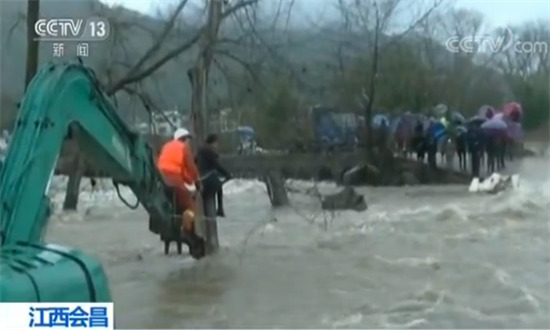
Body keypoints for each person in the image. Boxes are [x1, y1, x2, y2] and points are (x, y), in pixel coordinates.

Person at [157, 128, 202, 236]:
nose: (188, 142)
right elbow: (191, 168)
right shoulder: (183, 148)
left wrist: (188, 180)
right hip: (174, 179)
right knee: (189, 205)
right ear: (184, 139)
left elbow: (181, 170)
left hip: (159, 179)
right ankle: (186, 231)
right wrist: (198, 182)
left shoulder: (166, 146)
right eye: (187, 139)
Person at [196, 134, 231, 217]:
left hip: (200, 178)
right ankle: (220, 208)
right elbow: (216, 165)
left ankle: (205, 214)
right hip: (207, 177)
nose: (217, 146)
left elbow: (195, 161)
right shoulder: (209, 151)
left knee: (205, 197)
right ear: (212, 143)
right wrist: (227, 174)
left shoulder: (201, 150)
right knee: (218, 185)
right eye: (216, 143)